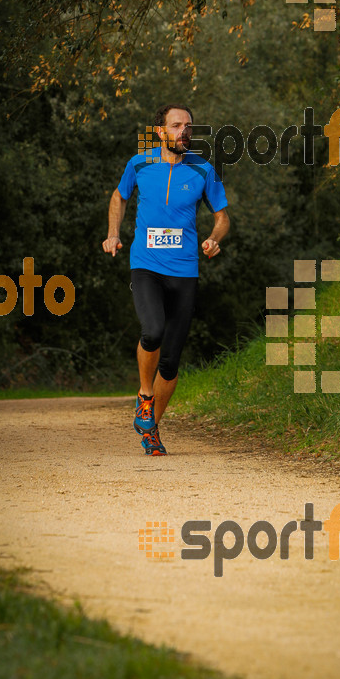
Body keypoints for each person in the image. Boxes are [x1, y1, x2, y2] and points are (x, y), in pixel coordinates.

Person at [102, 104, 230, 456]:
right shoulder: (139, 164)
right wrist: (113, 233)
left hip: (185, 270)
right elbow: (119, 196)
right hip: (146, 264)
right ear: (160, 131)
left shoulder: (203, 170)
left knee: (171, 360)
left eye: (189, 126)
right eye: (177, 126)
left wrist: (215, 237)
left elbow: (222, 216)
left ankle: (151, 428)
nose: (185, 131)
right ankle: (145, 396)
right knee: (152, 331)